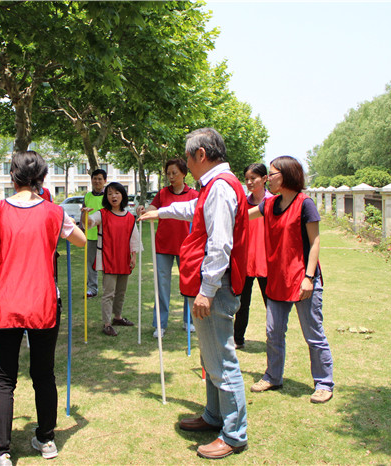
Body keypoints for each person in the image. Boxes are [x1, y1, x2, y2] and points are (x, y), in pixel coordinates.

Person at [138, 128, 248, 459]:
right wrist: (163, 211)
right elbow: (193, 212)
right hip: (213, 287)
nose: (185, 163)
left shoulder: (219, 188)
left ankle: (234, 433)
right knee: (210, 357)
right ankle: (214, 417)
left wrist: (207, 290)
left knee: (222, 360)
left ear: (201, 155)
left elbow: (219, 244)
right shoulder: (214, 187)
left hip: (216, 288)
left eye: (187, 157)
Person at [0, 151, 86, 466]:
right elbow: (81, 240)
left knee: (4, 379)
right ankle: (46, 438)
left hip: (6, 302)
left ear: (13, 176)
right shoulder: (54, 212)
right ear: (42, 179)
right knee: (43, 373)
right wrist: (67, 222)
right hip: (43, 303)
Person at [248, 155, 334, 404]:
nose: (268, 179)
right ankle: (273, 376)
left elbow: (315, 242)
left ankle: (324, 383)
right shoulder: (270, 204)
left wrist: (309, 277)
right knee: (273, 332)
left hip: (303, 280)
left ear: (286, 176)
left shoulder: (304, 204)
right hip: (277, 279)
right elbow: (243, 215)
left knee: (313, 334)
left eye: (272, 174)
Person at [136, 159, 199, 338]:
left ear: (184, 173)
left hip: (187, 246)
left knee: (189, 285)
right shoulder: (162, 193)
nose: (171, 177)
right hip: (163, 245)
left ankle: (190, 320)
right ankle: (160, 324)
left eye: (175, 173)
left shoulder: (194, 194)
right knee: (161, 286)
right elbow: (152, 209)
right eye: (168, 174)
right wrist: (143, 210)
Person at [83, 182, 141, 337]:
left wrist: (133, 256)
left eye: (116, 193)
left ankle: (117, 317)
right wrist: (85, 214)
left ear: (122, 195)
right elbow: (88, 223)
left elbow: (133, 238)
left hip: (124, 259)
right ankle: (107, 323)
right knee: (109, 293)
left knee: (121, 291)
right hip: (109, 259)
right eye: (109, 193)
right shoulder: (102, 214)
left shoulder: (129, 217)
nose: (113, 196)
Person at [233, 163, 274, 349]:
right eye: (247, 179)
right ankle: (237, 339)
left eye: (253, 178)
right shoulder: (242, 203)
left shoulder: (275, 202)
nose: (249, 182)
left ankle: (274, 340)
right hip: (245, 261)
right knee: (241, 305)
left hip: (268, 262)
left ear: (265, 179)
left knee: (272, 306)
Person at [81, 169, 106, 298]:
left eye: (100, 179)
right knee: (91, 263)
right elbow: (83, 213)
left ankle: (108, 289)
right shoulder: (87, 196)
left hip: (106, 236)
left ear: (105, 181)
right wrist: (81, 229)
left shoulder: (109, 196)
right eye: (95, 178)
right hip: (90, 236)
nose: (97, 181)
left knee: (106, 263)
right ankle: (92, 288)